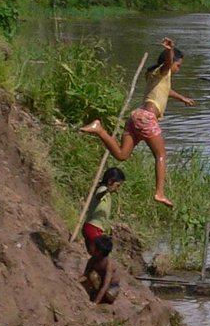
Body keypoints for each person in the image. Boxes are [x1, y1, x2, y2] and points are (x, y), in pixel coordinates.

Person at [79, 37, 195, 207]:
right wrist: (170, 50)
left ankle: (99, 129)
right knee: (161, 155)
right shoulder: (164, 71)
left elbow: (166, 91)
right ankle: (160, 193)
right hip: (147, 119)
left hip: (136, 116)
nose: (178, 69)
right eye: (178, 65)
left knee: (121, 155)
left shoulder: (154, 75)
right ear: (170, 63)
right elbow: (168, 65)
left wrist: (182, 98)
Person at [83, 167, 125, 256]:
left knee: (97, 255)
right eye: (117, 185)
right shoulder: (102, 189)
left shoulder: (108, 194)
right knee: (100, 254)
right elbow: (98, 196)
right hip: (92, 227)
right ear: (110, 181)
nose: (118, 189)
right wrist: (106, 190)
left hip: (97, 229)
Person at [81, 235, 120, 304]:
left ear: (99, 251)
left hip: (111, 286)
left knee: (109, 295)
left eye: (94, 247)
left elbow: (106, 285)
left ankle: (102, 299)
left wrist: (95, 303)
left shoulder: (108, 264)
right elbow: (86, 274)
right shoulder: (93, 259)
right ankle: (95, 293)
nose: (91, 248)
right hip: (100, 282)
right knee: (92, 276)